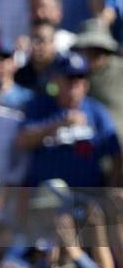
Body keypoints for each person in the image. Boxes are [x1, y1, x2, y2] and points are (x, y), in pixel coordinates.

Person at [16, 53, 122, 187]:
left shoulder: (97, 112)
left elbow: (116, 154)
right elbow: (22, 141)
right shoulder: (39, 106)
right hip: (44, 195)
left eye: (80, 77)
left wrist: (111, 190)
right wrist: (58, 124)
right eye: (69, 77)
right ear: (55, 80)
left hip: (87, 195)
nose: (75, 83)